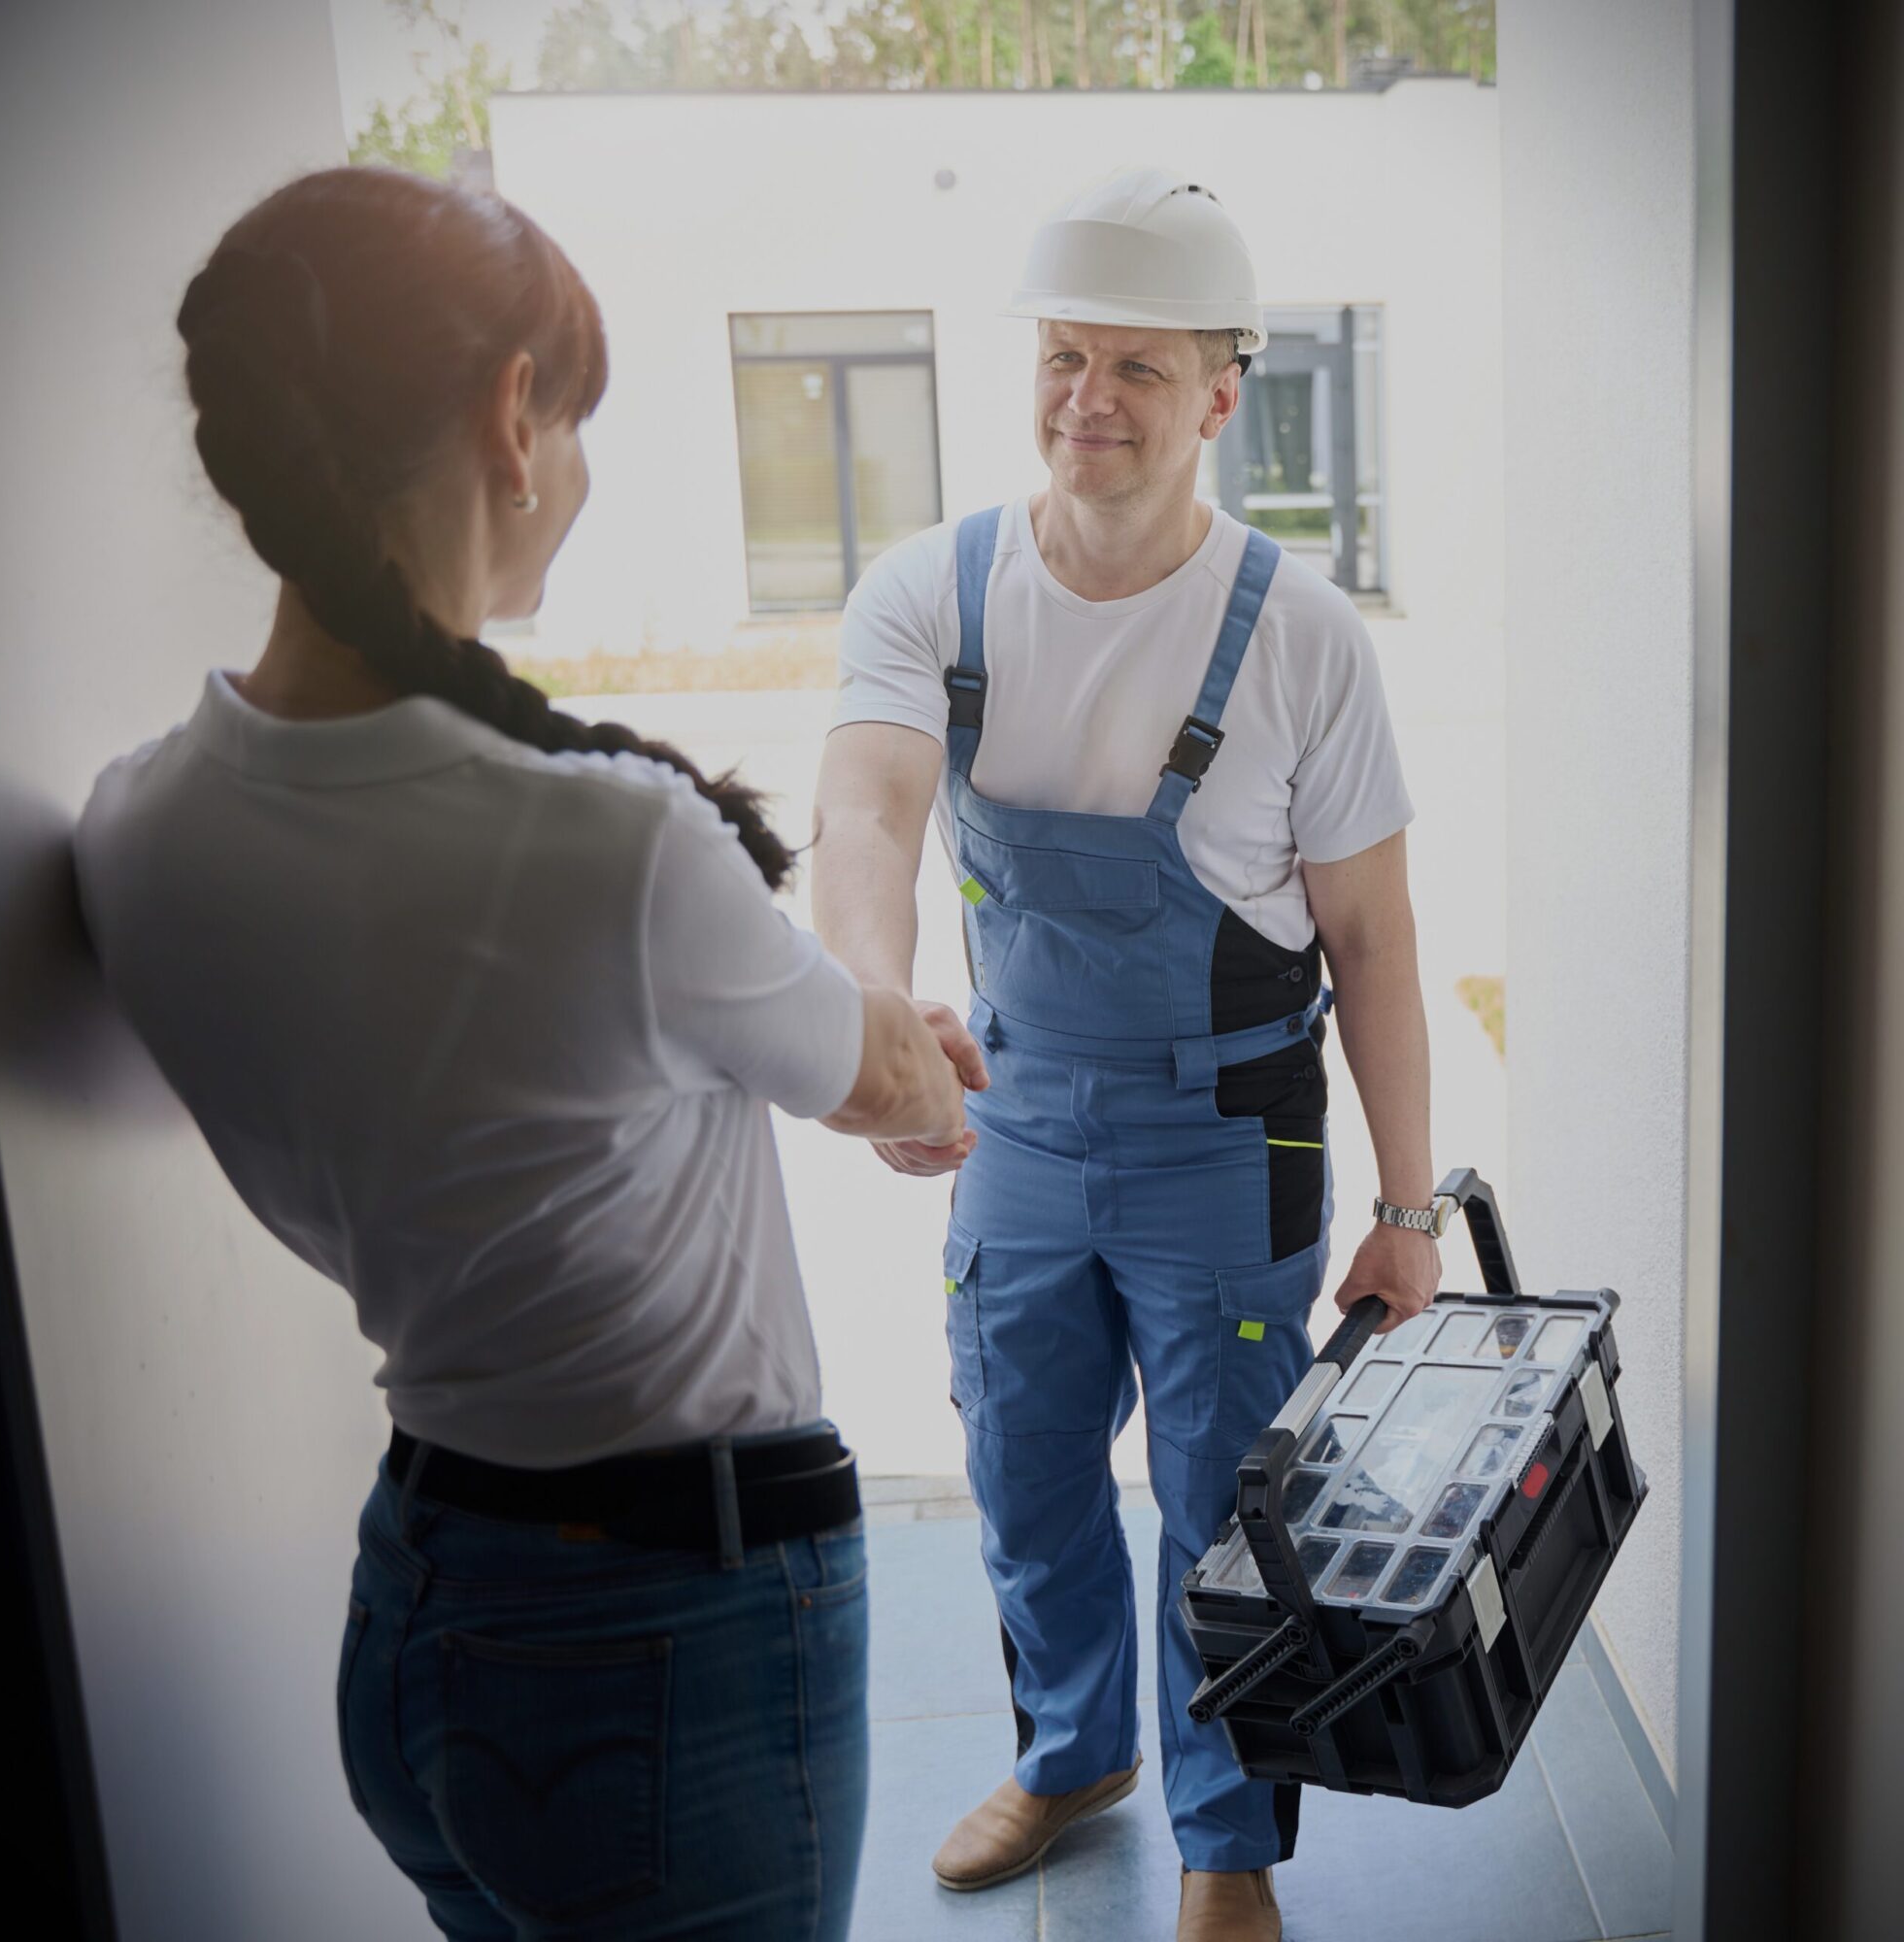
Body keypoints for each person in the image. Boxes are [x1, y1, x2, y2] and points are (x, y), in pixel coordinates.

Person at [74, 167, 977, 1942]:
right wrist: (905, 1050)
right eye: (575, 416)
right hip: (668, 1633)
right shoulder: (611, 846)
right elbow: (887, 1084)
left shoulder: (136, 830)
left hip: (420, 1613)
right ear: (511, 418)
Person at [810, 166, 1444, 1942]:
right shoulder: (933, 590)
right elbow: (863, 813)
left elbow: (1379, 944)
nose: (1087, 398)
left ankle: (1226, 1842)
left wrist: (1411, 1209)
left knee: (1226, 1507)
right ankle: (1076, 1747)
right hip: (1018, 1114)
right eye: (1064, 356)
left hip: (1231, 1139)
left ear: (1222, 393)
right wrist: (876, 1010)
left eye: (1137, 369)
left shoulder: (1303, 640)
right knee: (1018, 1460)